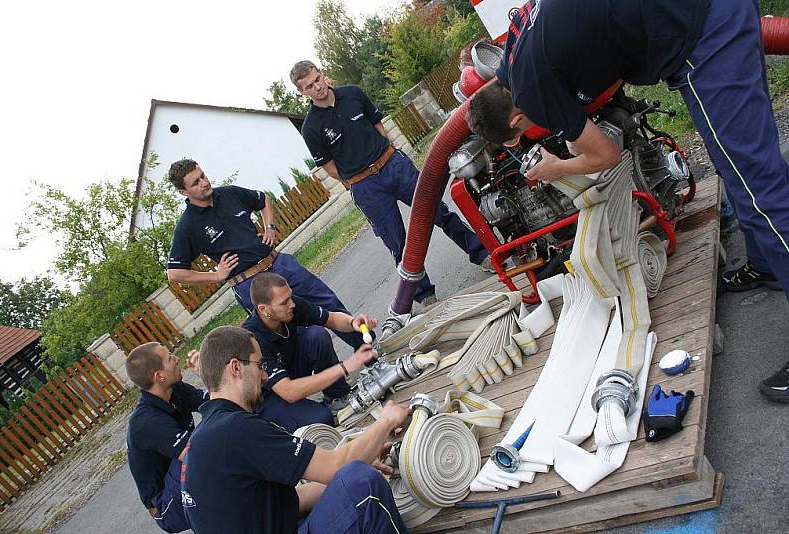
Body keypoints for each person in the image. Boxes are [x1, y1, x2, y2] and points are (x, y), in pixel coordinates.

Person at [466, 0, 789, 402]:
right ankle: (768, 265)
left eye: (520, 136)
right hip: (696, 20)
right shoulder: (514, 56)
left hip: (704, 33)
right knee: (736, 167)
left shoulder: (532, 90)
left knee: (759, 191)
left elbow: (606, 156)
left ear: (515, 123)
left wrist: (556, 169)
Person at [291, 60, 492, 307]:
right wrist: (355, 180)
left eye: (317, 79)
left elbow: (377, 124)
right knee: (398, 243)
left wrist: (388, 153)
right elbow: (329, 167)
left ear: (322, 74)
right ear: (302, 92)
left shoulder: (352, 93)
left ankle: (482, 254)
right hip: (366, 187)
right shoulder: (311, 127)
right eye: (310, 86)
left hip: (393, 166)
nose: (317, 87)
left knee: (438, 212)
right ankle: (425, 295)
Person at [180, 325, 409, 534]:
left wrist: (360, 459)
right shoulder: (235, 429)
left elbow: (290, 501)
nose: (265, 375)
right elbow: (336, 466)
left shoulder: (208, 434)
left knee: (352, 475)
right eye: (260, 365)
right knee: (363, 483)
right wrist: (386, 421)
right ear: (236, 367)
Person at [166, 158, 363, 350]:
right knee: (291, 338)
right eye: (196, 182)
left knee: (328, 304)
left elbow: (263, 200)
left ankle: (370, 355)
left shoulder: (230, 193)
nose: (205, 182)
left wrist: (269, 227)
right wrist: (216, 276)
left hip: (280, 265)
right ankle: (329, 380)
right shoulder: (187, 226)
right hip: (250, 284)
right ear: (184, 192)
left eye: (203, 175)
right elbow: (174, 273)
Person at [244, 272, 377, 431]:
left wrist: (353, 322)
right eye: (284, 302)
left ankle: (337, 395)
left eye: (290, 297)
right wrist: (345, 367)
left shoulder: (291, 307)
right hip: (271, 394)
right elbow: (289, 392)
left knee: (317, 335)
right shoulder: (253, 339)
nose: (292, 304)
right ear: (264, 309)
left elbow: (331, 319)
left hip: (289, 368)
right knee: (322, 421)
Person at [126, 342, 204, 533]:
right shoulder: (147, 422)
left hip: (180, 474)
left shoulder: (174, 389)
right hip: (166, 506)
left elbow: (213, 401)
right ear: (159, 376)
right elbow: (199, 454)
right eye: (170, 358)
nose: (177, 359)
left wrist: (208, 374)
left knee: (212, 428)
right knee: (200, 450)